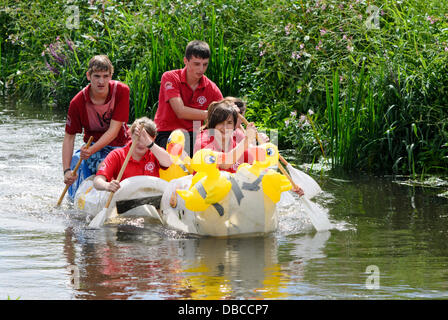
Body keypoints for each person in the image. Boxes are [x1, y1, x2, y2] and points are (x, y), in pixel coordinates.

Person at [62, 55, 131, 200]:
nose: (101, 81)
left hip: (121, 144)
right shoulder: (77, 102)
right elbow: (69, 138)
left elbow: (113, 131)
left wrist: (91, 150)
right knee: (88, 162)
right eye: (97, 76)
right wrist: (67, 171)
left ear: (111, 75)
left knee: (108, 164)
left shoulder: (121, 91)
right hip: (92, 146)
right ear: (88, 76)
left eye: (106, 76)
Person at [154, 40, 223, 157]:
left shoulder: (210, 86)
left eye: (205, 64)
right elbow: (180, 111)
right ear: (185, 61)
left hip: (195, 135)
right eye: (197, 64)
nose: (201, 69)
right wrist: (213, 114)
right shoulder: (170, 77)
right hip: (167, 133)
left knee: (214, 155)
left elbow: (226, 110)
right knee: (178, 160)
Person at [94, 117, 172, 192]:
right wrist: (107, 186)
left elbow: (168, 162)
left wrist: (149, 143)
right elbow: (97, 180)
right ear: (130, 135)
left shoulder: (156, 152)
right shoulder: (117, 155)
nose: (141, 144)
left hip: (151, 199)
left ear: (153, 138)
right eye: (137, 138)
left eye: (145, 139)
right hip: (124, 200)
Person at [194, 99, 259, 173]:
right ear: (213, 124)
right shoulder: (203, 140)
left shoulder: (236, 141)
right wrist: (247, 140)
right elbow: (225, 164)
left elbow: (258, 163)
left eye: (229, 122)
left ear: (234, 125)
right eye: (220, 122)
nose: (225, 127)